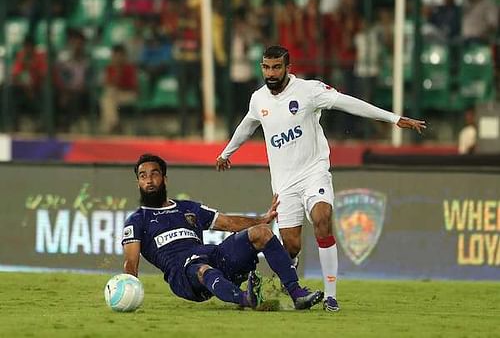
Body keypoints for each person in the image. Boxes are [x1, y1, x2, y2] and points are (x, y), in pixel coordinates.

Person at [215, 45, 427, 312]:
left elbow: (349, 102)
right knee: (290, 245)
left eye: (276, 67)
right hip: (284, 184)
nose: (271, 73)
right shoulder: (259, 99)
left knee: (322, 217)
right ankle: (286, 271)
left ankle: (331, 295)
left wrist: (394, 119)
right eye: (266, 67)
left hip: (313, 172)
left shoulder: (309, 91)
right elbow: (247, 125)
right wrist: (226, 153)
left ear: (287, 67)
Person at [122, 154, 324, 310]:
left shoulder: (187, 208)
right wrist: (129, 290)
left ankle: (297, 294)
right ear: (138, 182)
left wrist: (263, 219)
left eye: (154, 174)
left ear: (164, 179)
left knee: (262, 233)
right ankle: (247, 298)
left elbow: (228, 223)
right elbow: (131, 262)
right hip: (182, 274)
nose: (149, 180)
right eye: (143, 176)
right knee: (201, 268)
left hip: (212, 256)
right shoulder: (137, 220)